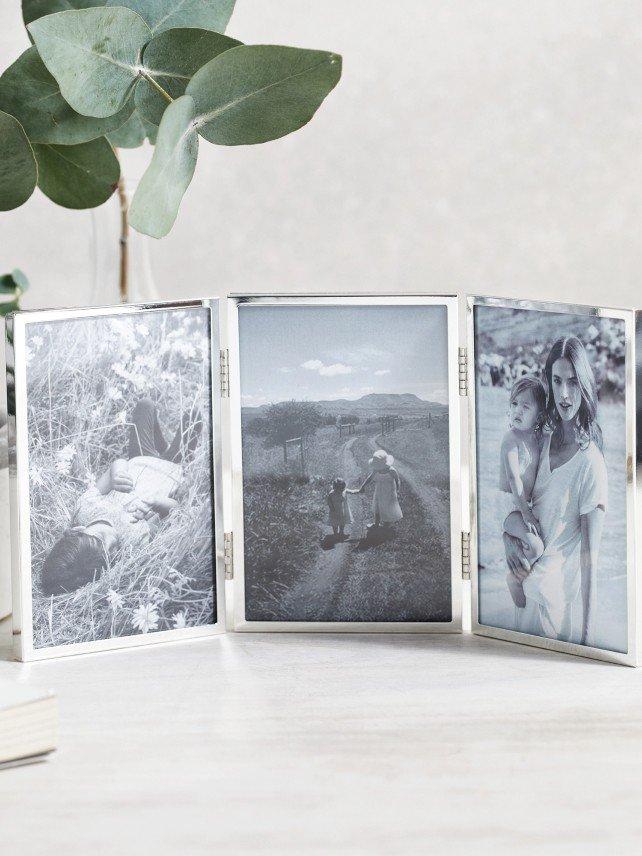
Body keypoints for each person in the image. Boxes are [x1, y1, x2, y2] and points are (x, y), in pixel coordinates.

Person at [40, 397, 202, 596]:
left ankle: (161, 446)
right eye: (113, 553)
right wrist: (157, 504)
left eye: (101, 537)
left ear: (77, 529)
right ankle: (169, 450)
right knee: (194, 416)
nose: (114, 539)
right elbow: (176, 508)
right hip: (172, 469)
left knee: (145, 405)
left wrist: (117, 474)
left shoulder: (86, 507)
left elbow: (117, 463)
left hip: (140, 457)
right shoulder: (134, 540)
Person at [503, 336, 607, 647]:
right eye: (557, 380)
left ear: (585, 385)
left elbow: (590, 560)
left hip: (552, 610)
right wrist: (507, 540)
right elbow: (522, 508)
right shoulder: (539, 440)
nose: (564, 394)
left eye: (573, 382)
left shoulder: (592, 464)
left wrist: (587, 643)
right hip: (523, 589)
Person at [499, 375, 547, 608]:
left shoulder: (539, 439)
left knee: (535, 546)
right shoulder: (511, 439)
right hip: (510, 505)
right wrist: (526, 513)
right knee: (536, 546)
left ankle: (520, 568)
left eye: (525, 406)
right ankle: (514, 579)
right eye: (514, 404)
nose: (517, 410)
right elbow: (513, 477)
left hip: (521, 507)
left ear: (539, 415)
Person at [359, 449, 402, 529]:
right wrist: (363, 486)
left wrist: (398, 491)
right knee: (377, 506)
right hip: (379, 490)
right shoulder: (376, 470)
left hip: (389, 491)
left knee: (387, 507)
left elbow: (397, 480)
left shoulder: (392, 471)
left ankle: (387, 523)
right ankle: (376, 523)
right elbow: (369, 479)